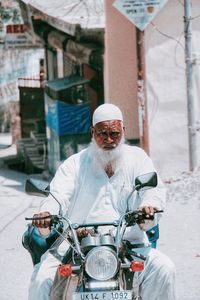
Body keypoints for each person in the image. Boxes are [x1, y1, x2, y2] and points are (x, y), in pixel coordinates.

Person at [28, 103, 176, 300]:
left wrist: (148, 207)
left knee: (164, 269)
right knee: (41, 280)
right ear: (92, 132)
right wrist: (46, 213)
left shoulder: (138, 159)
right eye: (102, 133)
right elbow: (57, 195)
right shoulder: (75, 164)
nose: (109, 140)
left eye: (114, 133)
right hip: (75, 245)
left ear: (123, 131)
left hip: (128, 243)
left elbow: (152, 191)